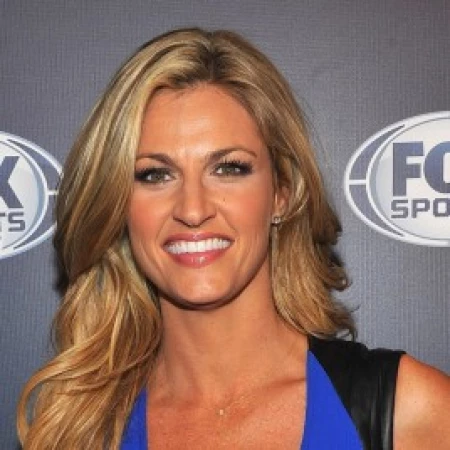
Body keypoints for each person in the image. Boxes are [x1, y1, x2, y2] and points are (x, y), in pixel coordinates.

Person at [17, 28, 449, 450]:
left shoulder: (410, 410)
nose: (192, 209)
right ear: (117, 204)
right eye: (155, 175)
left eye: (229, 168)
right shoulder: (76, 428)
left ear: (282, 192)